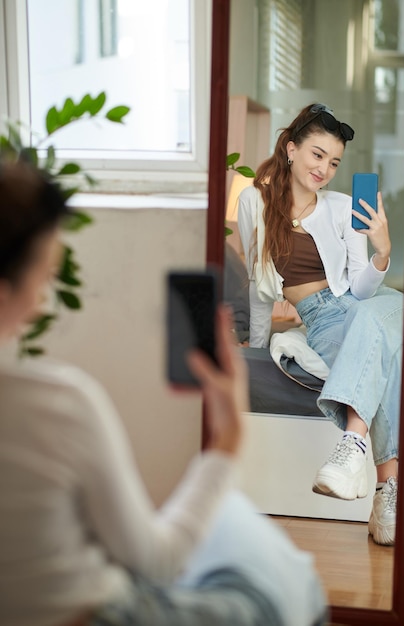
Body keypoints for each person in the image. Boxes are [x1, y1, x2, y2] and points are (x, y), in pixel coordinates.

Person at [0, 160, 327, 626]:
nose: (44, 295)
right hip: (111, 611)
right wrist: (227, 439)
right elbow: (155, 562)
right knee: (292, 576)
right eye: (44, 276)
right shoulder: (60, 406)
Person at [238, 103, 404, 547]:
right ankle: (389, 493)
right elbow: (259, 284)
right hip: (322, 317)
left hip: (371, 302)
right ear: (291, 149)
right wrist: (255, 346)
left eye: (334, 162)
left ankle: (353, 450)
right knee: (388, 354)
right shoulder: (253, 200)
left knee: (376, 319)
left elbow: (364, 292)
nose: (324, 169)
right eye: (316, 155)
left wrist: (382, 253)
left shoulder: (345, 207)